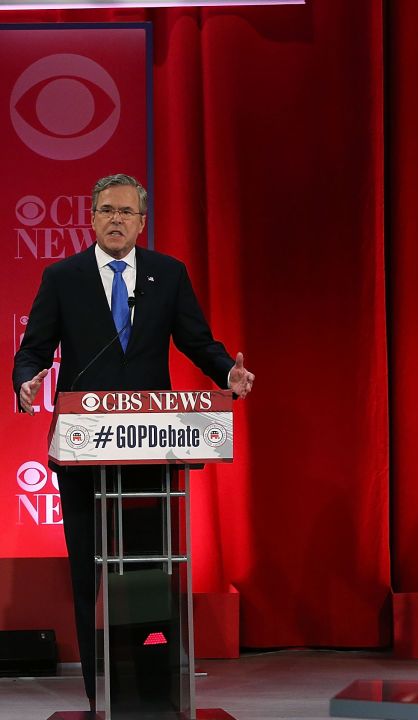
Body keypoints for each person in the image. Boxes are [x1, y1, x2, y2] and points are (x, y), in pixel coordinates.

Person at [12, 173, 255, 708]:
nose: (115, 219)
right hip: (81, 451)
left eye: (126, 211)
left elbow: (196, 340)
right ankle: (97, 692)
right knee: (87, 571)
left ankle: (148, 682)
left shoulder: (168, 275)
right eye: (106, 210)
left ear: (142, 222)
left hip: (150, 447)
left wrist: (226, 376)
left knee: (147, 571)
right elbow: (34, 349)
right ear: (92, 218)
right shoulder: (63, 277)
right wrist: (26, 381)